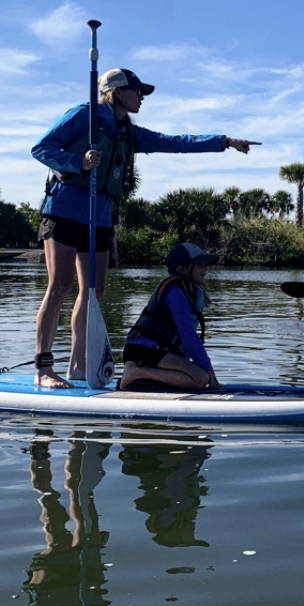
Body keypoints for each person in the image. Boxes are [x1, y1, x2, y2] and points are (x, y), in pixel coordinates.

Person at [30, 68, 259, 388]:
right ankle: (44, 370)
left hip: (101, 216)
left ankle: (77, 364)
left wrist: (224, 142)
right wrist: (79, 162)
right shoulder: (85, 115)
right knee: (60, 286)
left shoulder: (129, 132)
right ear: (117, 92)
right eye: (137, 91)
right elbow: (41, 149)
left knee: (94, 292)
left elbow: (175, 142)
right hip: (66, 209)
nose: (142, 97)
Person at [118, 242, 222, 393]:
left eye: (205, 264)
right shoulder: (176, 292)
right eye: (199, 265)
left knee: (199, 377)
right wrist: (211, 374)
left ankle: (138, 378)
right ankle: (135, 372)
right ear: (182, 269)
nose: (205, 269)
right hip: (143, 350)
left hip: (156, 352)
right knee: (201, 378)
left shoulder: (188, 291)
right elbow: (188, 335)